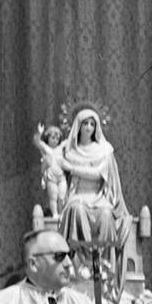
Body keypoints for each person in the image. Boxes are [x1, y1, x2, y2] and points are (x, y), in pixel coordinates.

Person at [58, 107, 132, 258]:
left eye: (92, 124)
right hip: (78, 195)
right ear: (78, 126)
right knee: (76, 209)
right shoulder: (69, 151)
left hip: (98, 196)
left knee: (106, 213)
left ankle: (103, 261)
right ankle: (79, 261)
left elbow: (98, 174)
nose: (89, 127)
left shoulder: (104, 150)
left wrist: (71, 168)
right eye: (85, 123)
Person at [33, 123, 67, 218]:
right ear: (48, 138)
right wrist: (39, 133)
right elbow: (37, 142)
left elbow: (70, 140)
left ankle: (62, 213)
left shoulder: (60, 148)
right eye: (52, 137)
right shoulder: (46, 148)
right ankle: (55, 214)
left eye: (57, 138)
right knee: (53, 197)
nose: (55, 140)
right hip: (51, 178)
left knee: (62, 196)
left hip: (61, 177)